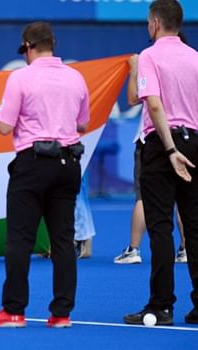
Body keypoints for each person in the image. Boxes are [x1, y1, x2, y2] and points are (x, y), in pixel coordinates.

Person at [0, 21, 89, 328]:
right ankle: (61, 313)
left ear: (28, 47)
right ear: (52, 44)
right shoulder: (76, 77)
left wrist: (0, 116)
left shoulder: (21, 78)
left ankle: (14, 310)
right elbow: (82, 124)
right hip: (68, 163)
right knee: (63, 240)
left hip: (32, 163)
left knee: (20, 238)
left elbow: (4, 126)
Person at [123, 0, 198, 326]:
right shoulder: (195, 58)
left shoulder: (150, 56)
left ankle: (161, 305)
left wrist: (170, 150)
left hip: (161, 146)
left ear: (155, 22)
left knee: (161, 228)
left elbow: (153, 105)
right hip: (195, 143)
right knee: (194, 229)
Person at [114, 53, 187, 264]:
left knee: (143, 197)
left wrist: (134, 69)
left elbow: (132, 98)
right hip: (185, 137)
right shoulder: (190, 66)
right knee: (184, 197)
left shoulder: (152, 65)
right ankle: (185, 248)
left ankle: (133, 249)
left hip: (153, 140)